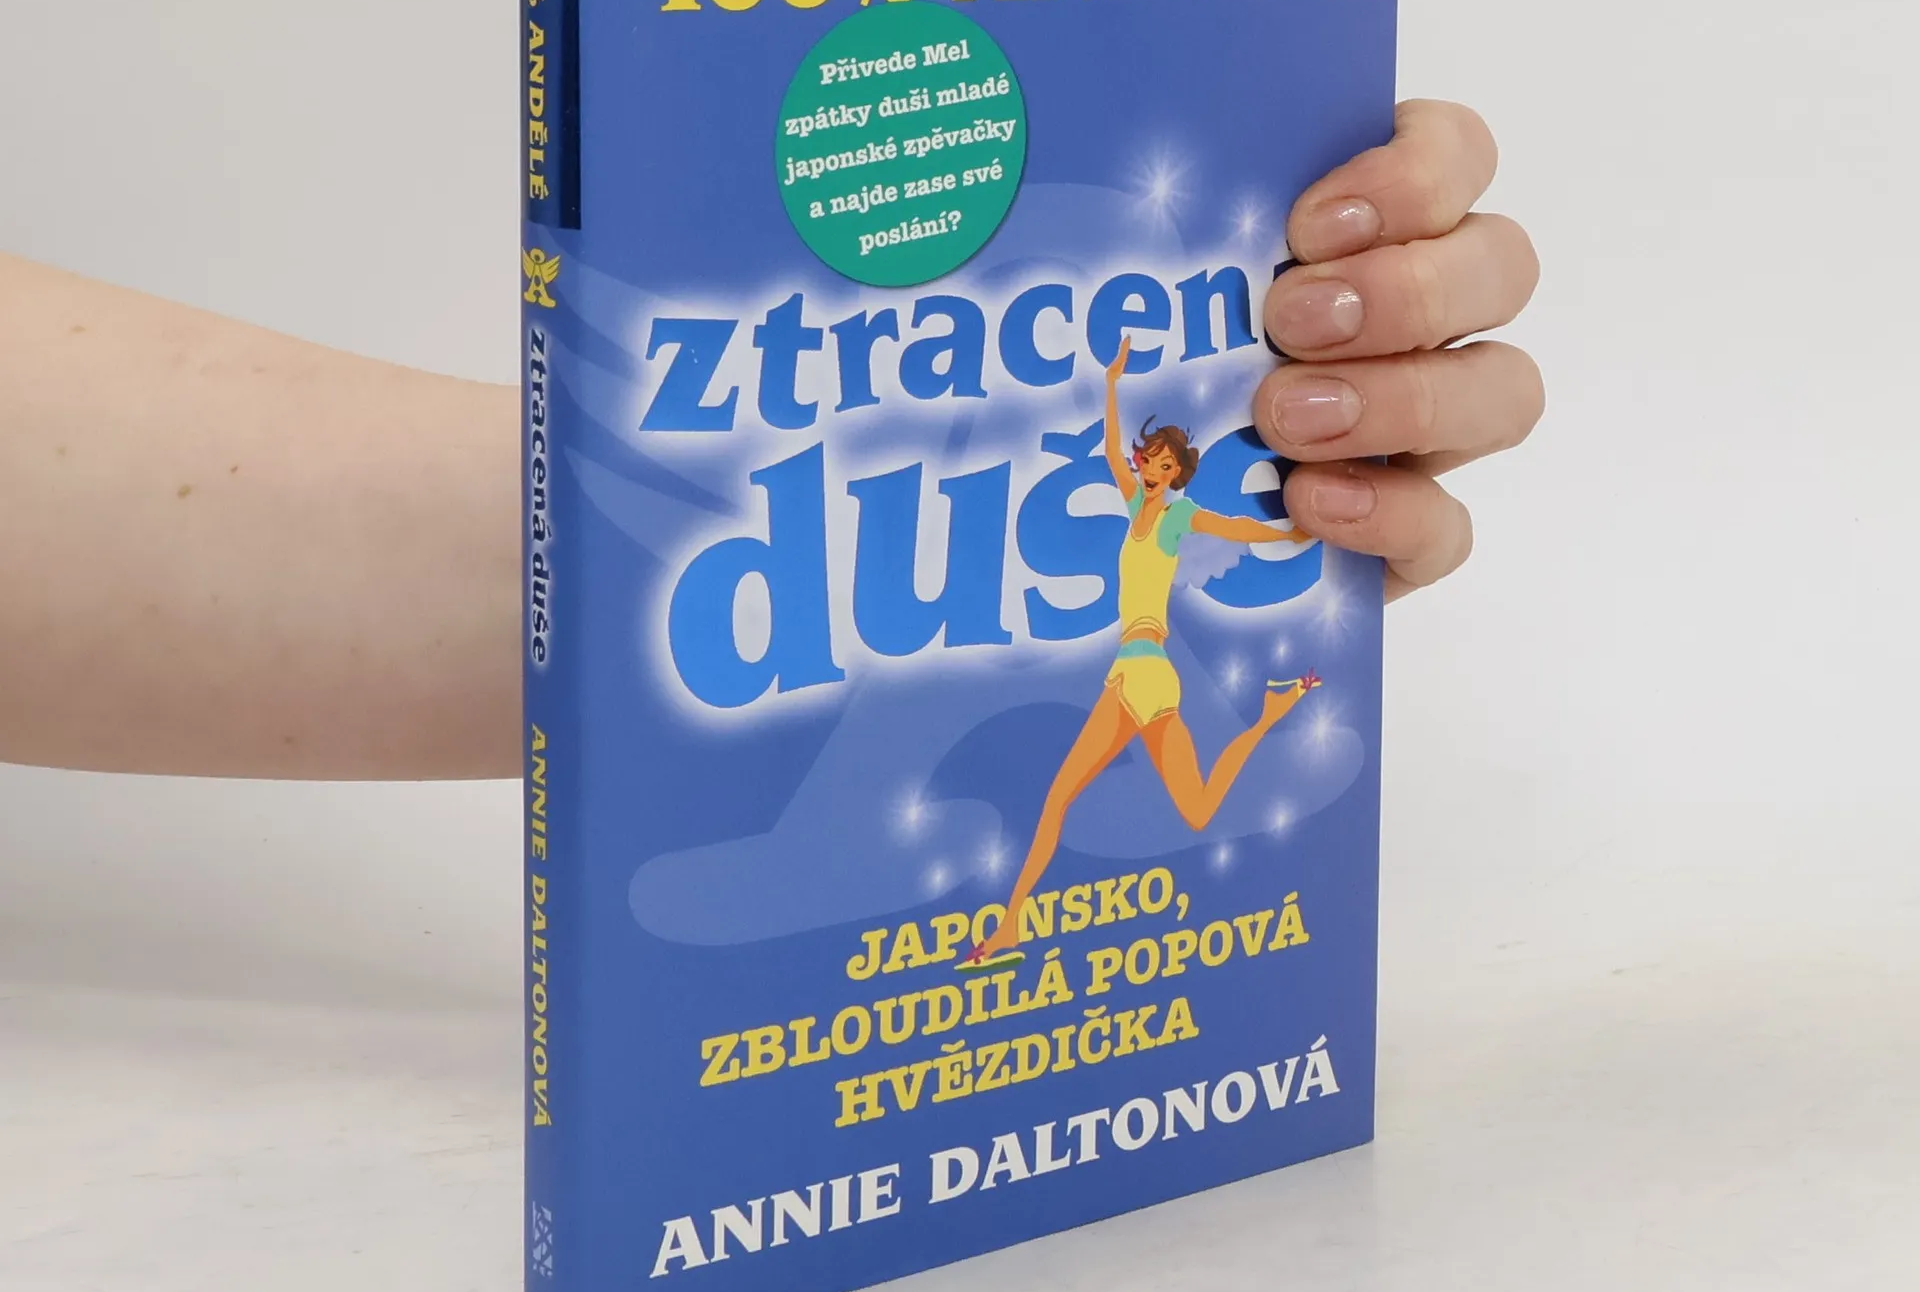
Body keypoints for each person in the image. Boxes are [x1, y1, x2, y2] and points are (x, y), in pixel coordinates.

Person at [0, 100, 1542, 780]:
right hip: (1114, 650)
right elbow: (1124, 448)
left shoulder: (1167, 512)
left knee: (1142, 801)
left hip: (1119, 651)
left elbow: (1216, 517)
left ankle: (1248, 734)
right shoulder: (1144, 490)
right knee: (1090, 809)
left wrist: (1295, 515)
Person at [965, 334, 1325, 965]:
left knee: (1058, 798)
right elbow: (1109, 449)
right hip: (1144, 674)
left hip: (1141, 672)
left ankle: (1011, 928)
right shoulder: (1135, 508)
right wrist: (1111, 384)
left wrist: (1291, 532)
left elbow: (1232, 525)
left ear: (1173, 472)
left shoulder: (1176, 517)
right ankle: (1269, 714)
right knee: (1197, 810)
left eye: (1158, 463)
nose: (1146, 467)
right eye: (1146, 458)